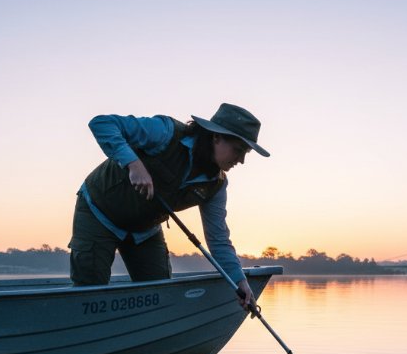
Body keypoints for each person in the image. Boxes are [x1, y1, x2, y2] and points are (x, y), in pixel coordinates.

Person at [68, 103, 269, 309]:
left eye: (246, 154)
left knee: (159, 297)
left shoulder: (216, 185)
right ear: (216, 136)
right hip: (99, 212)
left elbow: (218, 240)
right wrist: (133, 164)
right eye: (238, 150)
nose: (242, 160)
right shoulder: (166, 133)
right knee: (89, 294)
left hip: (144, 229)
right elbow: (102, 123)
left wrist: (239, 280)